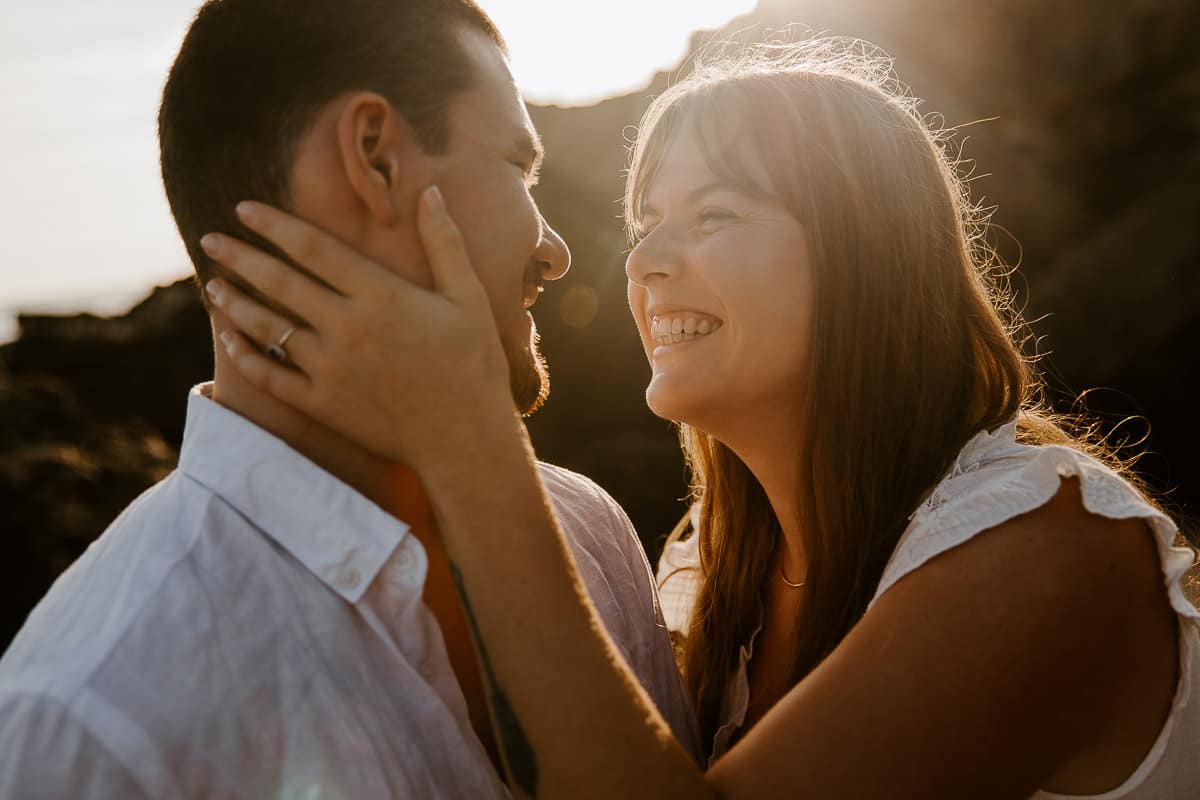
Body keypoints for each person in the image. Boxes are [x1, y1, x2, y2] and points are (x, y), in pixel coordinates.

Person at [204, 35, 1200, 799]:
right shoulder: (701, 576)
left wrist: (466, 440)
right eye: (644, 223)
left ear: (865, 255)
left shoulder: (1044, 543)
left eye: (713, 214)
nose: (643, 262)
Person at [0, 1, 700, 797]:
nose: (556, 249)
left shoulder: (590, 534)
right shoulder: (87, 726)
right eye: (518, 167)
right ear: (375, 158)